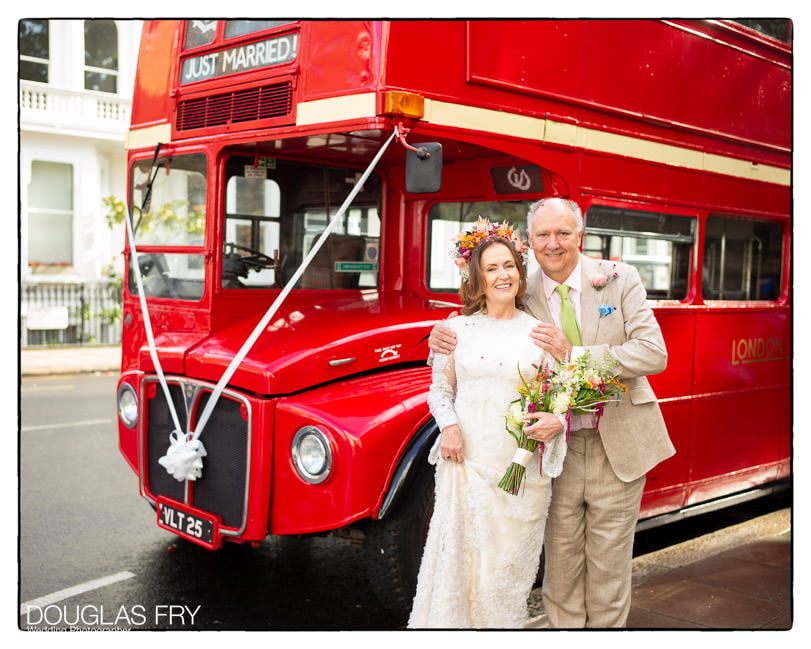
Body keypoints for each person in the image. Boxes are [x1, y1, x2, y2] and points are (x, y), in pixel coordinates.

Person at [428, 198, 675, 628]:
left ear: (579, 234)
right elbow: (485, 325)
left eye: (563, 233)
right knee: (558, 573)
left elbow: (653, 353)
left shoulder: (620, 279)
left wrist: (575, 355)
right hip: (550, 455)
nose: (553, 243)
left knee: (608, 571)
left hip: (617, 444)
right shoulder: (522, 288)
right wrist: (437, 335)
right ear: (531, 241)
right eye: (542, 235)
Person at [408, 221, 565, 629]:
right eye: (492, 268)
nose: (503, 275)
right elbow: (440, 393)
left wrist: (556, 421)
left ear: (520, 271)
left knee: (504, 579)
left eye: (510, 266)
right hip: (467, 468)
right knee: (460, 570)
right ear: (476, 276)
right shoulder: (455, 330)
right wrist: (449, 427)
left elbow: (560, 398)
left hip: (520, 476)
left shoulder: (541, 334)